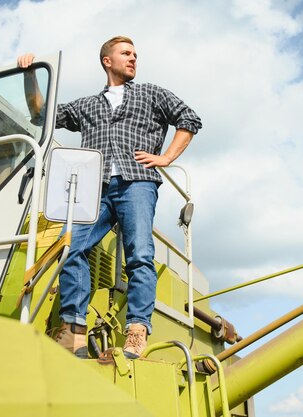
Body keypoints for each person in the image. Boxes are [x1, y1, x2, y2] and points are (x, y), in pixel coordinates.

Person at [17, 35, 201, 359]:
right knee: (69, 244)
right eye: (125, 53)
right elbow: (40, 114)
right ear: (107, 61)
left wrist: (166, 158)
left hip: (138, 183)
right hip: (95, 187)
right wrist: (30, 75)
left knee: (140, 254)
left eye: (135, 54)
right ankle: (73, 328)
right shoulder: (87, 105)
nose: (133, 58)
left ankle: (137, 329)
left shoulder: (151, 93)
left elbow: (189, 119)